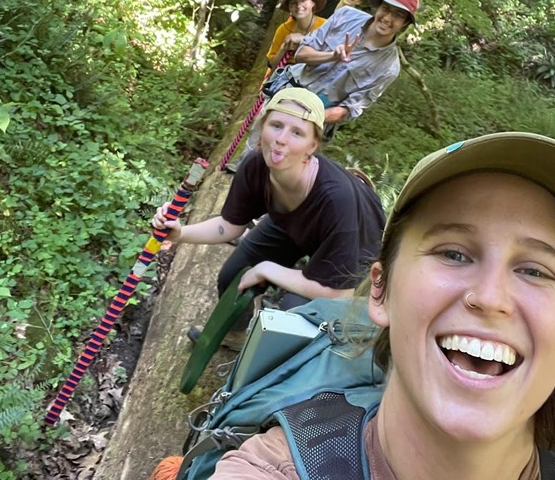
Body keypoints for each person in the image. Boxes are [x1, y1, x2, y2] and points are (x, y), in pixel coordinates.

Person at [201, 131, 555, 480]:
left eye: (534, 271)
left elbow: (324, 284)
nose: (491, 298)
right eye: (454, 254)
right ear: (381, 291)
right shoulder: (273, 472)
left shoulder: (339, 204)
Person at [152, 87, 386, 343]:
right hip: (293, 225)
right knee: (234, 273)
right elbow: (230, 225)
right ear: (262, 127)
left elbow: (338, 292)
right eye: (276, 125)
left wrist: (267, 270)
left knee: (297, 313)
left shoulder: (336, 199)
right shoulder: (255, 166)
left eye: (297, 132)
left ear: (313, 145)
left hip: (356, 252)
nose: (281, 139)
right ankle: (235, 335)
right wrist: (180, 233)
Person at [274, 0, 419, 129]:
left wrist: (306, 117)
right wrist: (332, 56)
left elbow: (350, 109)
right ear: (378, 7)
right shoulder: (345, 16)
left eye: (397, 15)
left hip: (315, 120)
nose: (387, 18)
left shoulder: (389, 68)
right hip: (285, 92)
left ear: (405, 24)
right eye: (385, 9)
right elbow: (301, 54)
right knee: (254, 149)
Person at [266, 0, 327, 71]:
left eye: (303, 0)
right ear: (289, 8)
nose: (298, 6)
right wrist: (283, 49)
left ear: (313, 2)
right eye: (293, 2)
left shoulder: (325, 26)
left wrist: (303, 40)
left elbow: (331, 56)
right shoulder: (283, 29)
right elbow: (272, 65)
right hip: (287, 74)